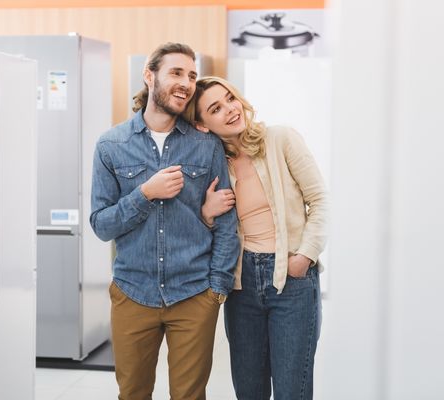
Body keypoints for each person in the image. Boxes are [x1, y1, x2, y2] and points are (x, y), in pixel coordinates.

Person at [90, 44, 240, 400]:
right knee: (133, 393)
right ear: (149, 75)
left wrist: (215, 290)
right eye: (176, 73)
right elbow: (101, 224)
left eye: (191, 75)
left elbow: (226, 220)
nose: (186, 83)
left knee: (189, 394)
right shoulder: (111, 145)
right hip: (132, 294)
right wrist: (144, 194)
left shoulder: (206, 146)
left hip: (193, 294)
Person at [185, 76, 327, 400]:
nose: (230, 110)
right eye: (215, 109)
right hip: (241, 285)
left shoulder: (281, 139)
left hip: (291, 278)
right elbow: (204, 235)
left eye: (230, 98)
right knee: (249, 391)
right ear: (203, 125)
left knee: (293, 390)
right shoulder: (212, 166)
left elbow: (320, 200)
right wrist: (206, 215)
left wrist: (304, 256)